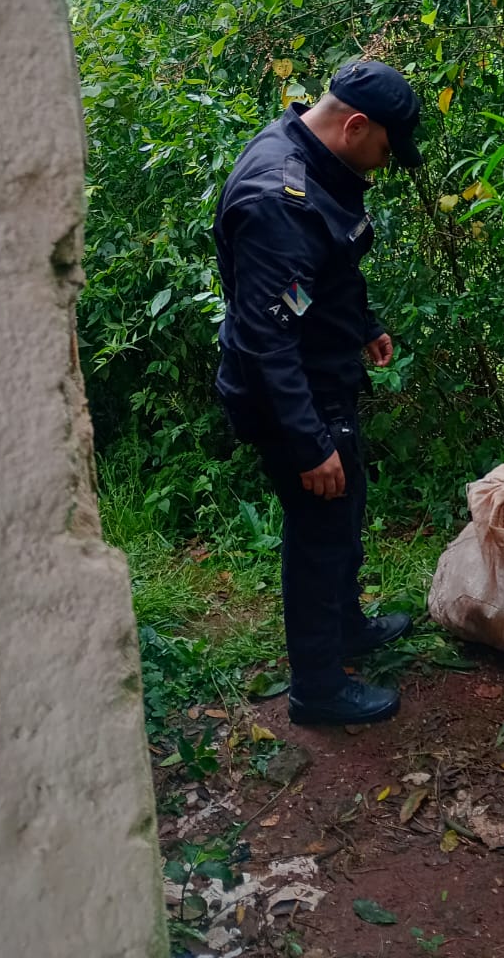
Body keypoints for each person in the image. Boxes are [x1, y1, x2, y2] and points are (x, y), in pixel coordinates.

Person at [213, 60, 423, 725]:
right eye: (385, 150)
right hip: (290, 397)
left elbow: (319, 273)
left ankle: (347, 626)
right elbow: (265, 340)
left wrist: (363, 324)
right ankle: (318, 688)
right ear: (355, 125)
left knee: (346, 503)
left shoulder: (311, 152)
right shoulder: (279, 199)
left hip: (321, 375)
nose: (384, 165)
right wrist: (309, 445)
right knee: (319, 531)